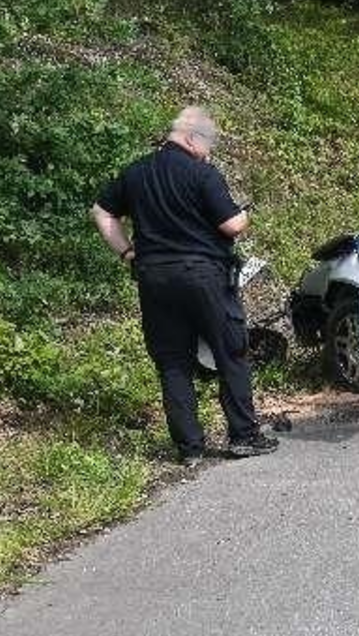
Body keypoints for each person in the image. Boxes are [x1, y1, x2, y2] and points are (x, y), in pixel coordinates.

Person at [90, 107, 278, 467]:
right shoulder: (202, 173)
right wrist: (244, 214)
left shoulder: (135, 172)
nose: (208, 154)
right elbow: (232, 225)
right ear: (192, 139)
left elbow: (102, 211)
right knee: (231, 353)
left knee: (172, 361)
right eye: (207, 146)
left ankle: (189, 448)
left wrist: (127, 252)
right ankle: (243, 436)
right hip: (204, 276)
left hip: (154, 278)